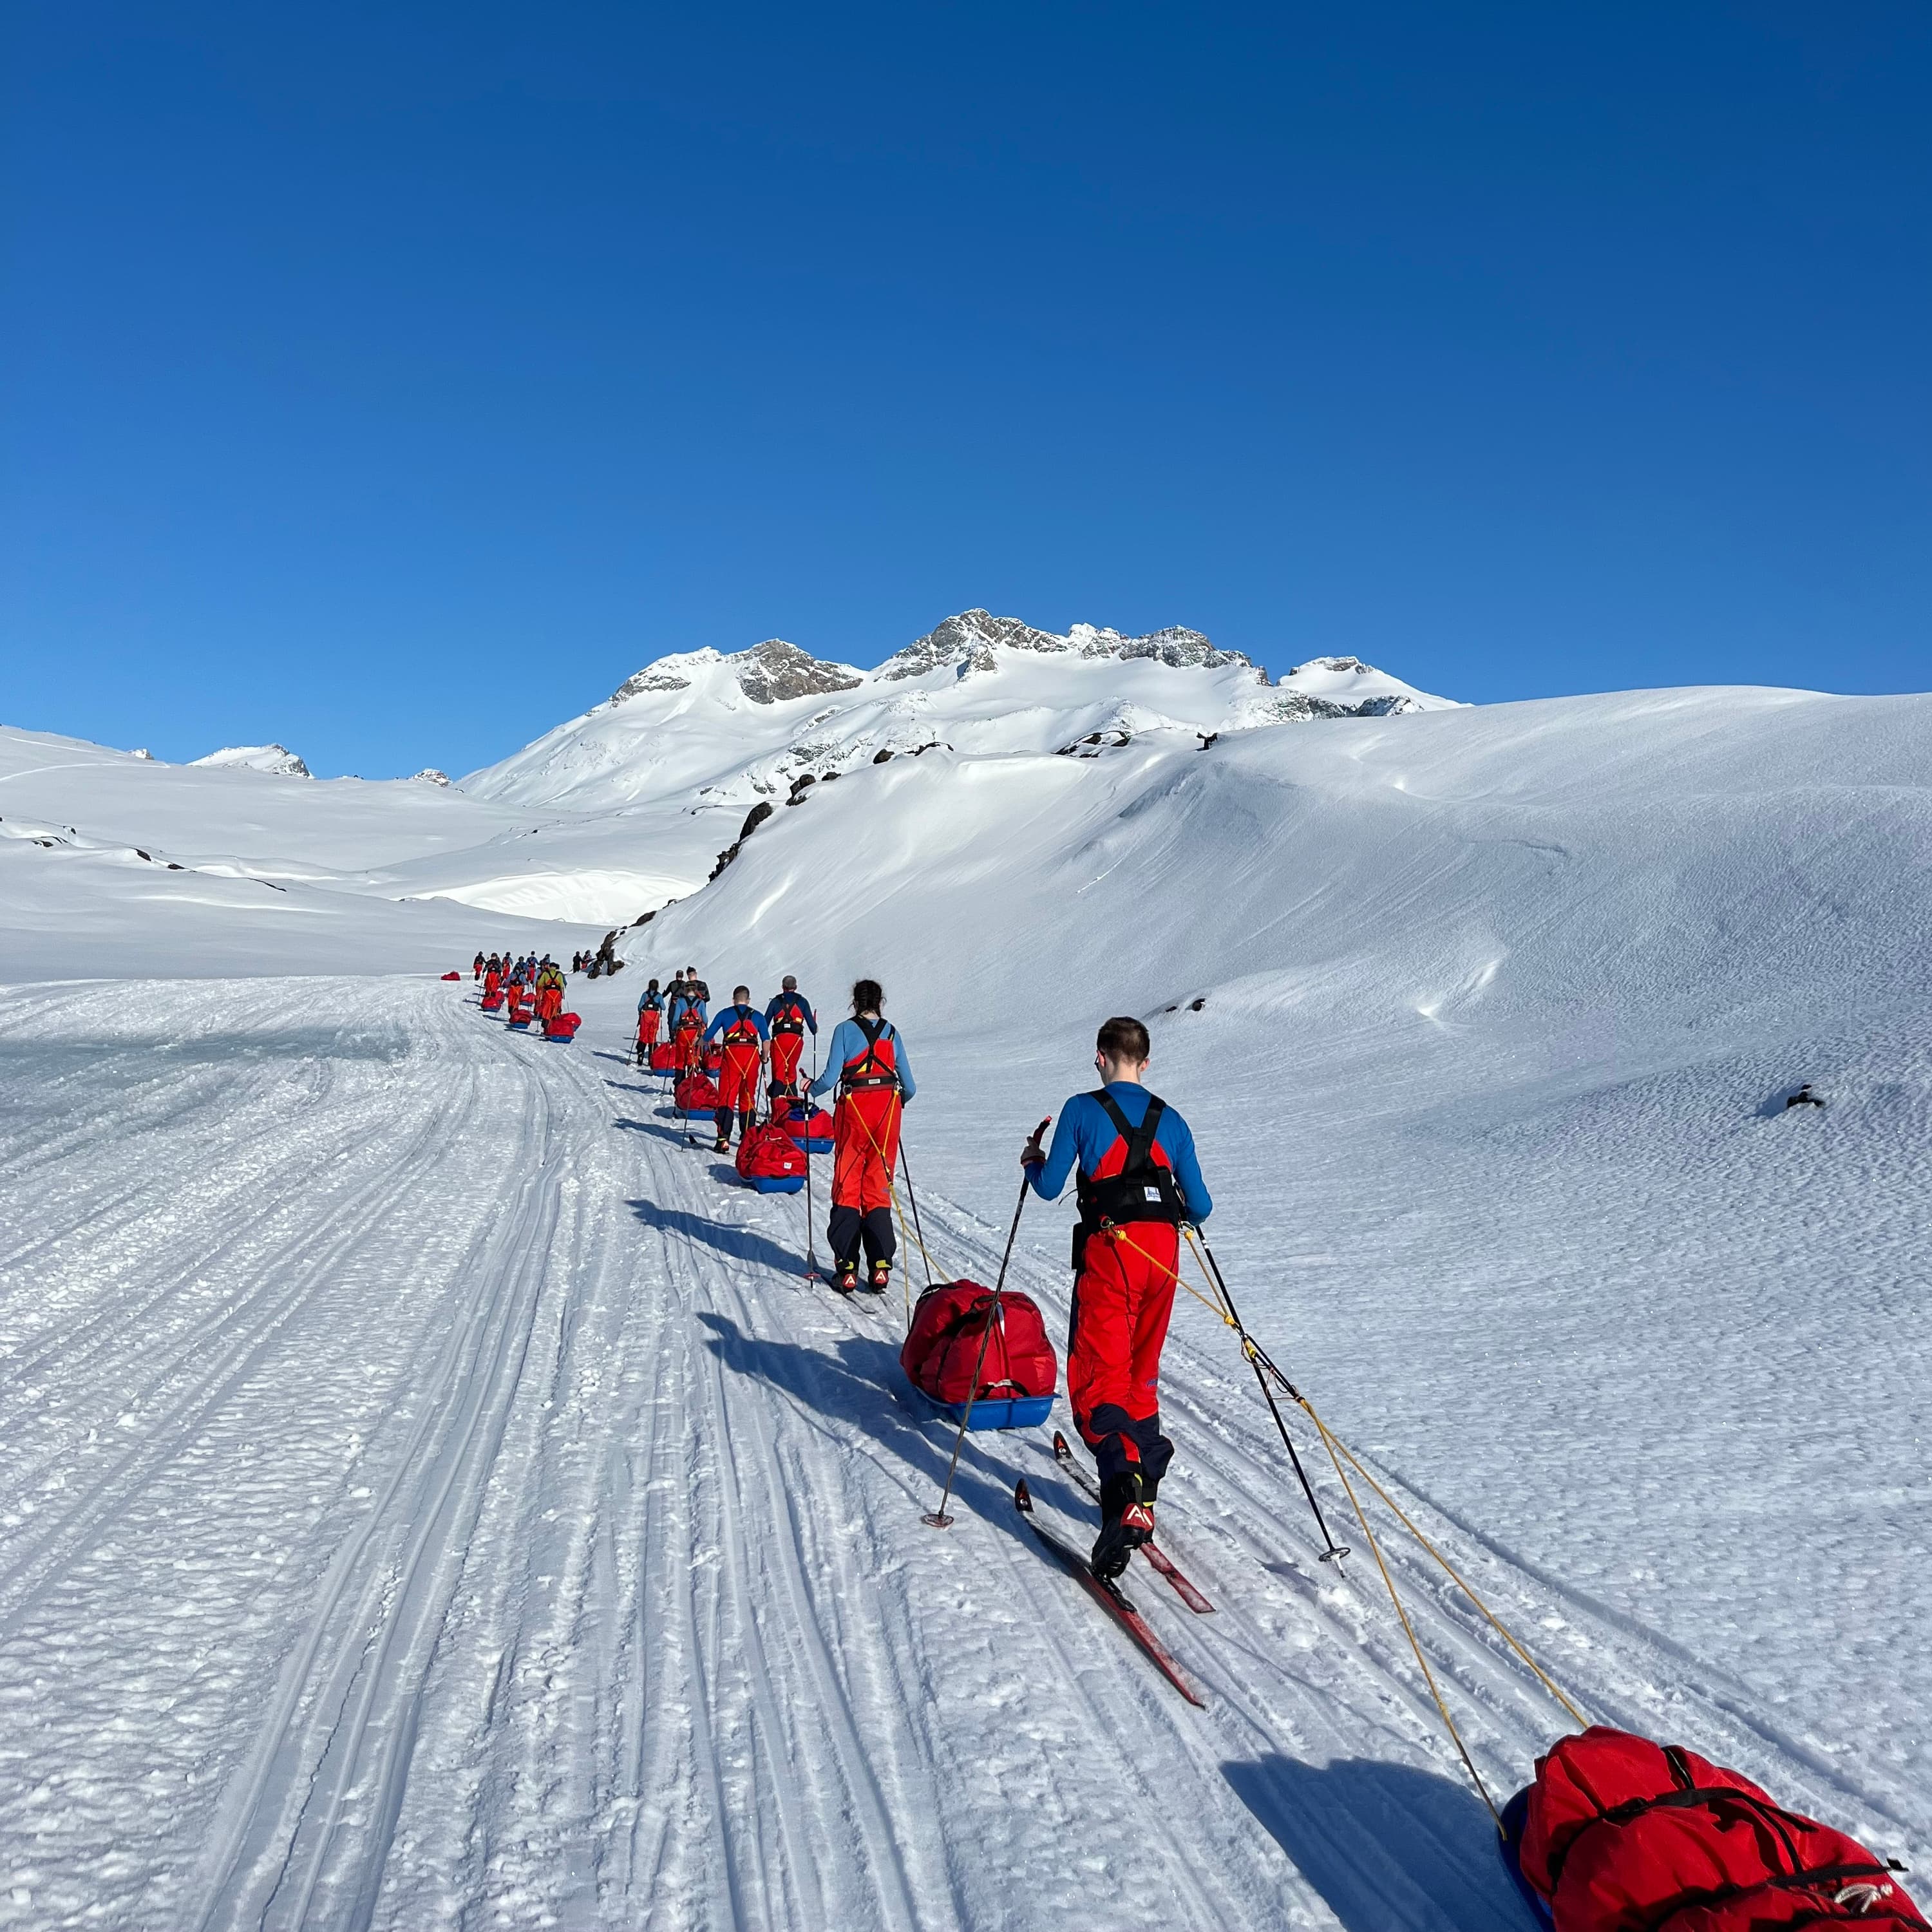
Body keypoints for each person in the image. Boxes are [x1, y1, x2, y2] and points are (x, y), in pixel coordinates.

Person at [1022, 1016, 1211, 1580]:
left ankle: (1126, 1482)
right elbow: (1199, 1207)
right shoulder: (1172, 1120)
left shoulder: (1082, 1110)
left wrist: (1033, 1158)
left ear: (1100, 1058)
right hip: (1163, 1255)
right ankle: (1143, 1493)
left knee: (1096, 1380)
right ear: (1145, 1063)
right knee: (1140, 1371)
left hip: (1113, 1250)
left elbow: (1052, 1186)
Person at [809, 980, 914, 1295]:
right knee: (879, 1188)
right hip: (887, 1114)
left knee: (847, 1185)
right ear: (880, 1001)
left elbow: (829, 1078)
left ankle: (848, 1268)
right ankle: (881, 1266)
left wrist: (809, 1090)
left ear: (854, 1003)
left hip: (855, 1110)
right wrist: (895, 1104)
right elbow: (910, 1086)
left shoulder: (844, 1030)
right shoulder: (892, 1032)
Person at [703, 987, 770, 1151]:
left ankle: (723, 1139)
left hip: (732, 1058)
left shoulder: (725, 1014)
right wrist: (765, 1056)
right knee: (748, 1097)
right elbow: (766, 1040)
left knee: (727, 1098)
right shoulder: (758, 1016)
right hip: (752, 1059)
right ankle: (748, 1138)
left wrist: (699, 1042)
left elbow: (708, 1035)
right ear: (748, 1001)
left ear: (734, 1000)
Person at [764, 976, 817, 1096]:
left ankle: (777, 1101)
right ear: (796, 987)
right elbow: (813, 1028)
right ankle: (792, 1102)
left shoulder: (775, 1001)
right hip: (796, 1041)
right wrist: (815, 1027)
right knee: (791, 1069)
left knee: (779, 1072)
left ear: (783, 987)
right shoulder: (802, 1002)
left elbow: (764, 1023)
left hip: (779, 1040)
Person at [667, 972, 708, 1071]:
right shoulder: (701, 1002)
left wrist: (673, 1030)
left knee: (681, 1058)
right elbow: (705, 1019)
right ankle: (693, 1077)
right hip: (696, 1033)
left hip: (683, 1032)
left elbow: (676, 1019)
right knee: (694, 1055)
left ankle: (679, 1081)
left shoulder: (680, 1001)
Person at [635, 978, 664, 1064]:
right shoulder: (659, 996)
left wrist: (640, 1013)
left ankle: (640, 1054)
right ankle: (651, 1058)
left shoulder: (645, 995)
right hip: (655, 1018)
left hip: (645, 1016)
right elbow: (664, 1007)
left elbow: (640, 1006)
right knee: (652, 1037)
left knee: (643, 1035)